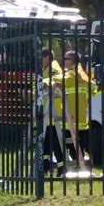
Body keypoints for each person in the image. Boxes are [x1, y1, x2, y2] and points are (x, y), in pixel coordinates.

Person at [52, 50, 92, 163]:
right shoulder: (83, 75)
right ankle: (79, 166)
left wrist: (43, 82)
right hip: (82, 119)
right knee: (79, 147)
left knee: (59, 143)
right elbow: (93, 89)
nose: (63, 61)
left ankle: (66, 167)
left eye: (66, 59)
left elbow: (57, 79)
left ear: (73, 61)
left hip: (71, 119)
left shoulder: (71, 74)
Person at [40, 47, 65, 176]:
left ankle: (61, 166)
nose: (40, 61)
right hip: (45, 111)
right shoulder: (44, 69)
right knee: (46, 141)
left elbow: (57, 80)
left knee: (55, 141)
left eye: (41, 58)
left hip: (54, 110)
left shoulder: (54, 68)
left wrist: (43, 83)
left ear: (47, 57)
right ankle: (45, 166)